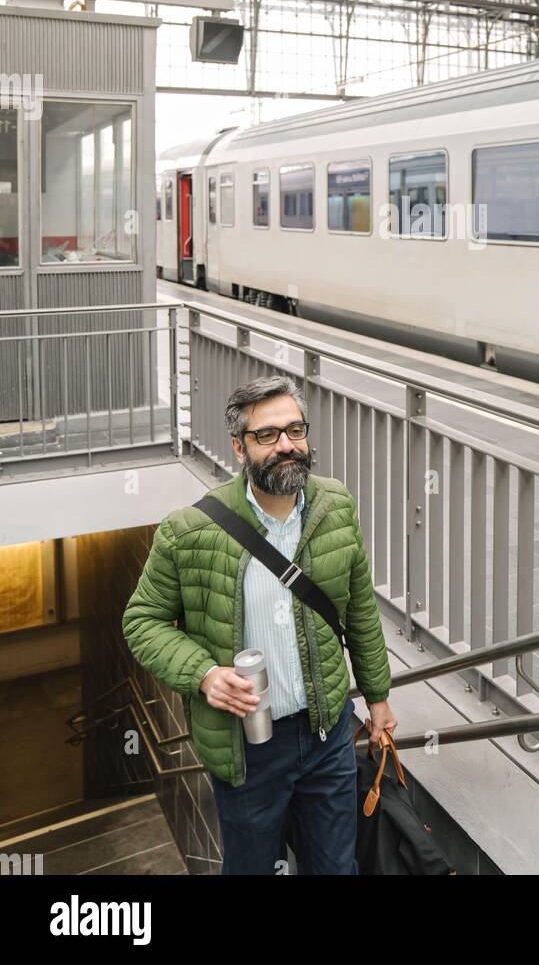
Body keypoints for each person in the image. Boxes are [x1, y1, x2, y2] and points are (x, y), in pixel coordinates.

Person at [122, 373, 397, 875]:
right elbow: (142, 620)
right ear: (239, 447)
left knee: (337, 868)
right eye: (267, 435)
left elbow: (358, 607)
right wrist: (204, 673)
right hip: (247, 749)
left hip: (327, 735)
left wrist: (377, 699)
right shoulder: (190, 531)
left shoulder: (335, 506)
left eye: (295, 430)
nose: (286, 445)